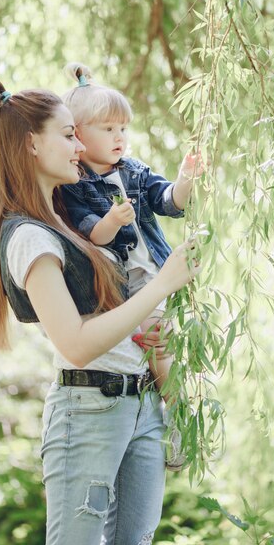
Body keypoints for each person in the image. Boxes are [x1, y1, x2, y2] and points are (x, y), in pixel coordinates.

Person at [0, 78, 201, 545]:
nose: (81, 145)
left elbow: (113, 307)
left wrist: (148, 335)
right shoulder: (30, 237)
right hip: (89, 409)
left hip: (140, 400)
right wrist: (162, 283)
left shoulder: (65, 217)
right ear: (31, 144)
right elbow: (75, 343)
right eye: (69, 134)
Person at [61, 62, 204, 469]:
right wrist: (110, 221)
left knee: (168, 343)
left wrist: (185, 179)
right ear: (78, 136)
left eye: (122, 128)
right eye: (107, 129)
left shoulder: (134, 169)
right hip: (128, 282)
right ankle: (177, 415)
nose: (119, 137)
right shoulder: (75, 185)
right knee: (159, 343)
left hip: (158, 270)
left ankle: (176, 411)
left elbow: (168, 202)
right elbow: (92, 235)